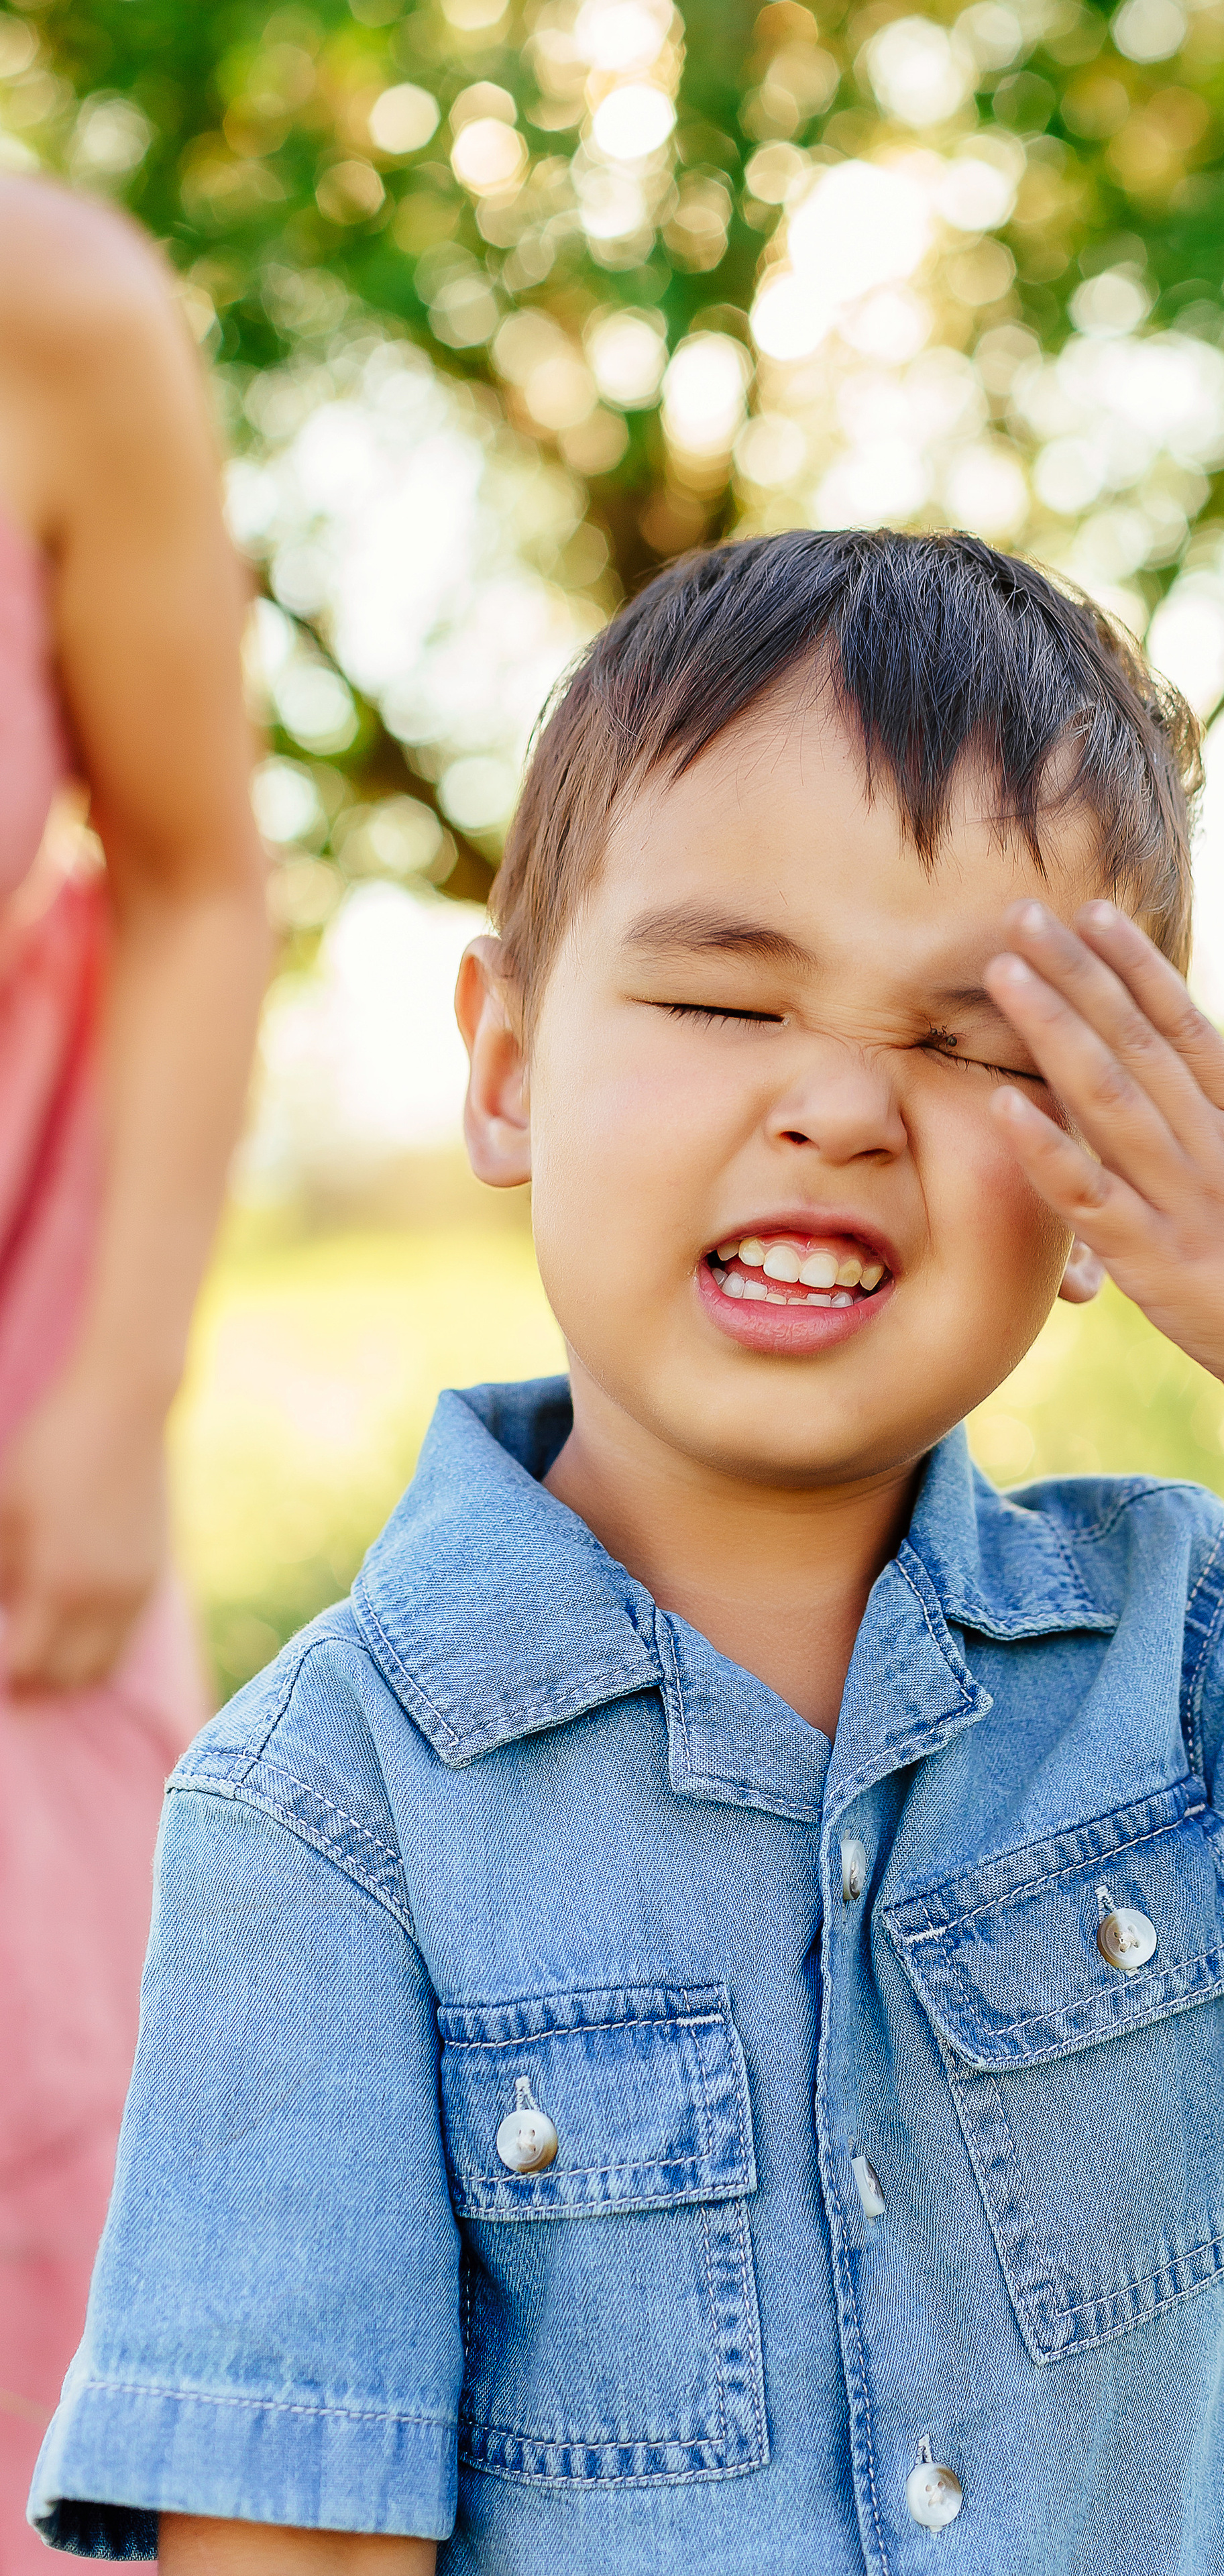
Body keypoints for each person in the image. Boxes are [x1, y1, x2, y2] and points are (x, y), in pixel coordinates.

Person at [30, 533, 1224, 2574]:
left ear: (1106, 1172)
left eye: (980, 1043)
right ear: (504, 1066)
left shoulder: (1169, 1668)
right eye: (726, 996)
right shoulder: (328, 1812)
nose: (837, 1103)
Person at [0, 178, 269, 2564]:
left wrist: (113, 1401)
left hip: (15, 1439)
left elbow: (196, 874)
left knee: (59, 2153)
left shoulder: (51, 305)